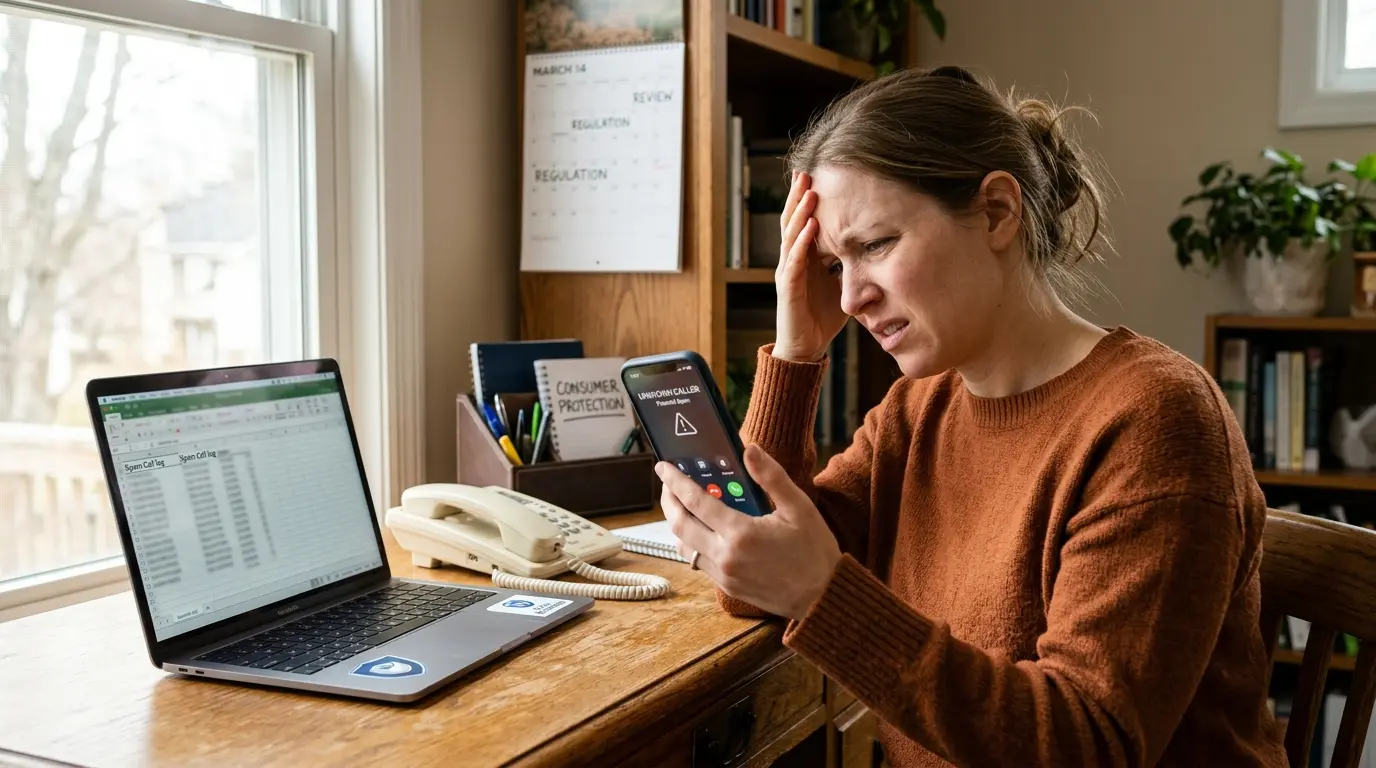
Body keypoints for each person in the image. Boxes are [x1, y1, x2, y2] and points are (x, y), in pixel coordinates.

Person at [653, 66, 1287, 767]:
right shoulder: (918, 409)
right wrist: (796, 352)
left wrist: (822, 593)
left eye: (875, 245)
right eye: (834, 266)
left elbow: (1087, 743)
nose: (852, 297)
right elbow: (757, 579)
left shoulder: (1154, 420)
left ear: (996, 212)